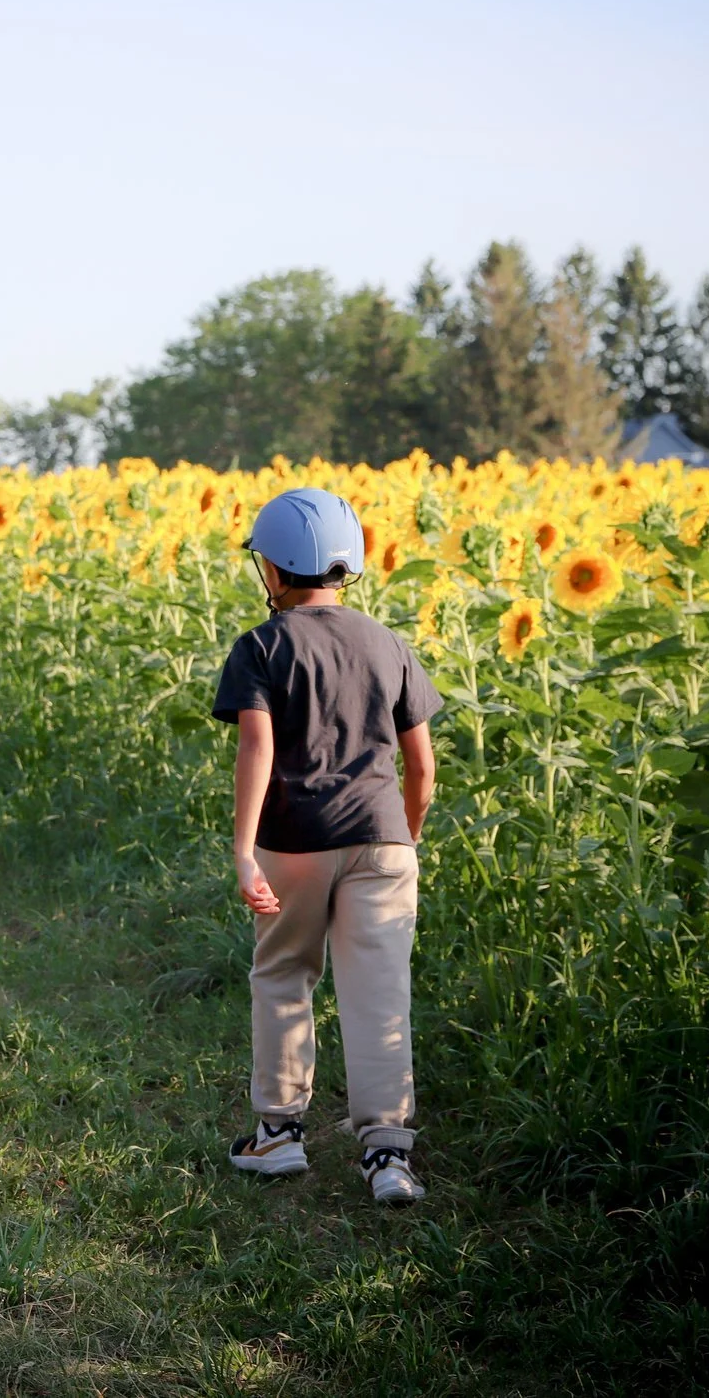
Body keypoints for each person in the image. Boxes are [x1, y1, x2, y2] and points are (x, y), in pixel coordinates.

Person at [211, 487, 439, 1204]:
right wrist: (406, 834)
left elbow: (257, 744)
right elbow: (423, 766)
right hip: (384, 837)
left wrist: (245, 849)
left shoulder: (261, 646)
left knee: (284, 974)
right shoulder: (388, 643)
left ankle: (278, 1136)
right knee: (380, 993)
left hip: (296, 838)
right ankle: (388, 1155)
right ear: (349, 566)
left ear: (273, 571)